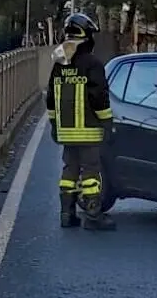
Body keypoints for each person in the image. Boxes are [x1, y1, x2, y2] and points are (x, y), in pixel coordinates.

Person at [46, 13, 116, 231]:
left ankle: (67, 215)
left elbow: (50, 97)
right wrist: (107, 122)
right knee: (91, 173)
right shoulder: (92, 63)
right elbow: (98, 96)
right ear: (86, 34)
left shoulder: (60, 62)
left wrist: (54, 124)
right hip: (88, 129)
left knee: (69, 171)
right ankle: (93, 216)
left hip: (66, 130)